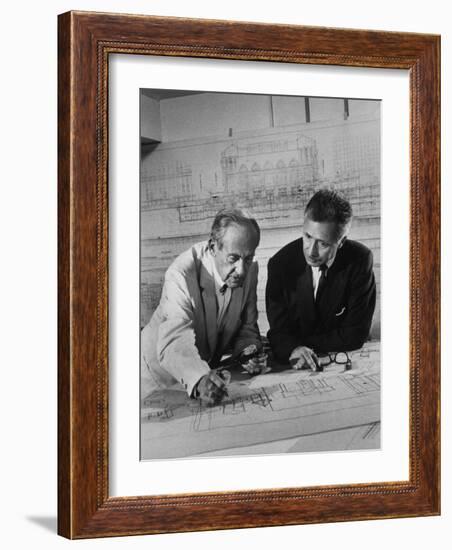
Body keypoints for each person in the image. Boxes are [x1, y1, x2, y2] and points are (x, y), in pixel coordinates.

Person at [141, 209, 268, 405]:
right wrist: (199, 378)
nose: (241, 271)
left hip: (203, 376)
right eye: (233, 259)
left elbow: (247, 327)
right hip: (156, 379)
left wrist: (247, 352)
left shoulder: (251, 269)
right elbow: (174, 340)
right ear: (212, 247)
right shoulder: (181, 273)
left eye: (248, 258)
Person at [265, 189, 376, 371]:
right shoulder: (280, 264)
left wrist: (298, 343)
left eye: (323, 243)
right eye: (308, 237)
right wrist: (293, 348)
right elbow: (279, 331)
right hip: (299, 365)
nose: (311, 251)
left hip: (338, 364)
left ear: (341, 242)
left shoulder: (360, 260)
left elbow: (356, 334)